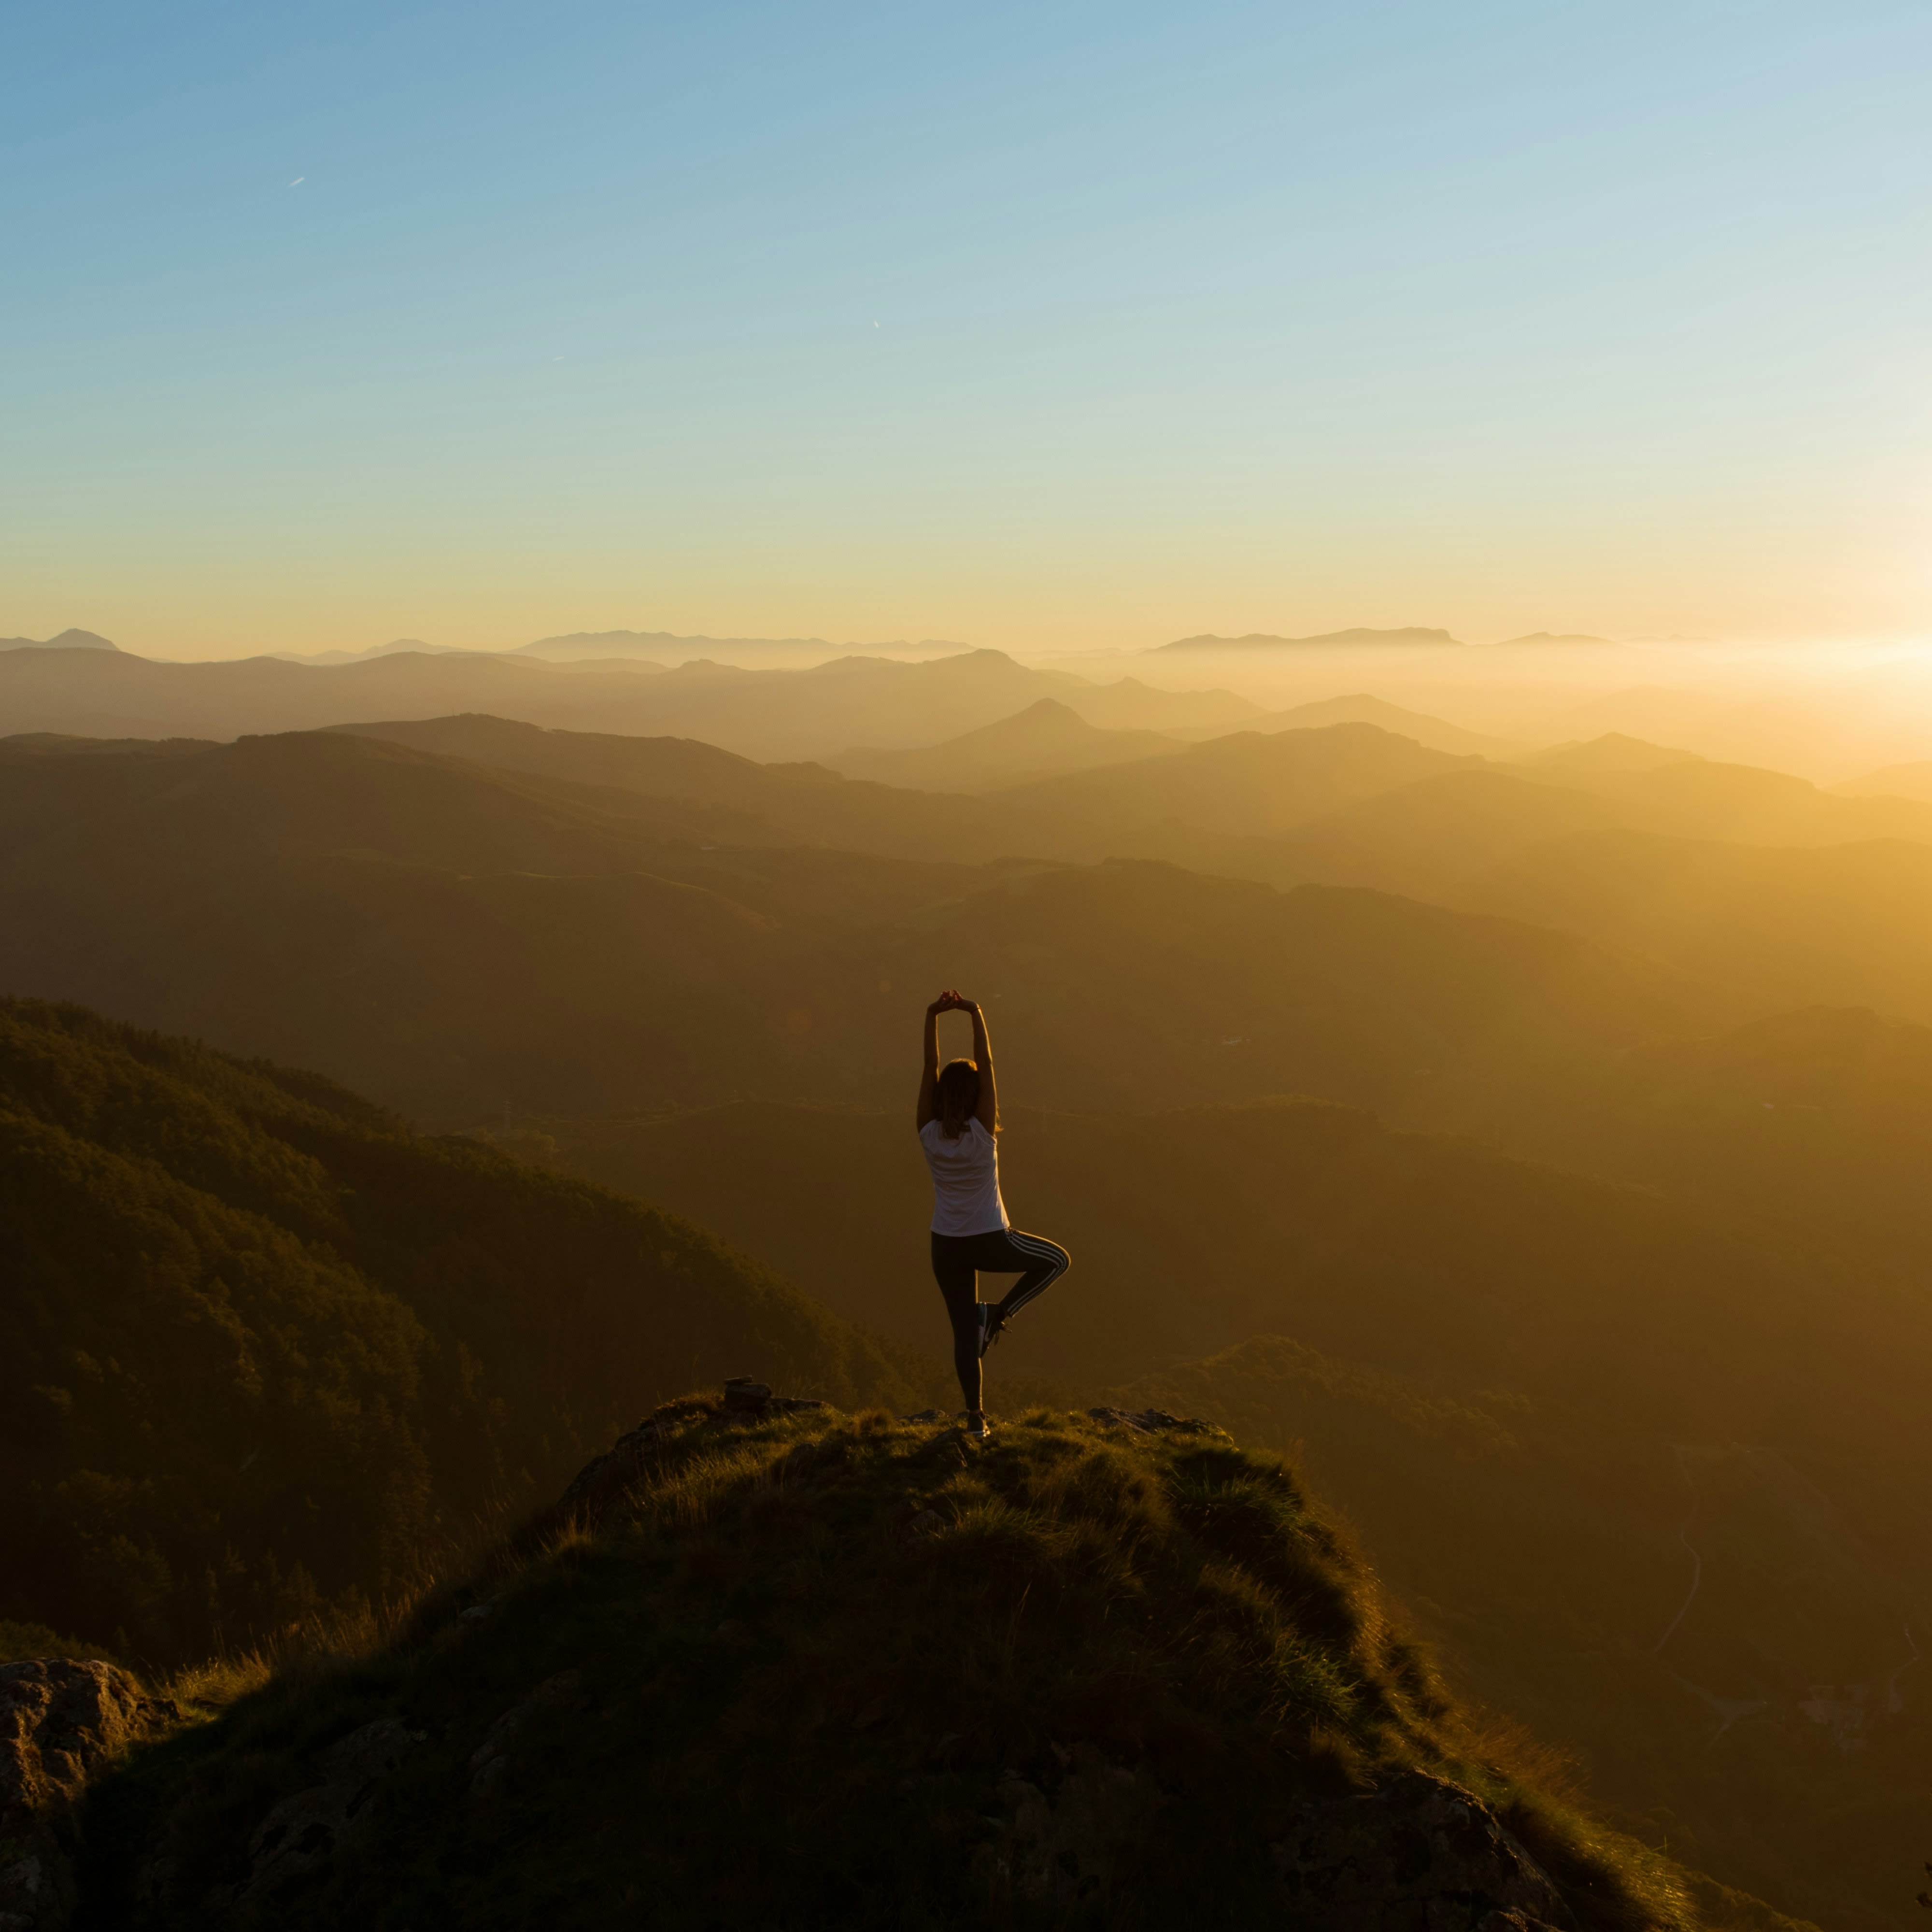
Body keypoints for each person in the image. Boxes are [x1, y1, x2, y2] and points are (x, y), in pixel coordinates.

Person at [916, 990, 1070, 1438]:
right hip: (989, 1237)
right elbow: (989, 1063)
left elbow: (929, 1067)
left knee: (964, 1335)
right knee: (1057, 1261)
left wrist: (932, 1016)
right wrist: (974, 1012)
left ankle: (975, 1420)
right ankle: (999, 1315)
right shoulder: (983, 1133)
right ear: (978, 1094)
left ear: (943, 1093)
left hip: (944, 1245)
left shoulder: (927, 1132)